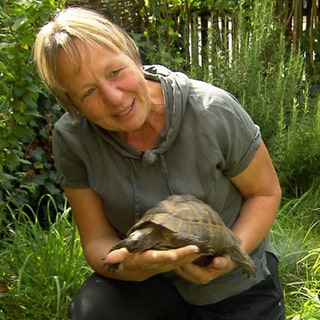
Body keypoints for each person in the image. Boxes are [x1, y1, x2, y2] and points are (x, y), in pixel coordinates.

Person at [33, 7, 285, 320]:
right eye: (88, 92)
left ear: (133, 56)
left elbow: (265, 193)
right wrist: (128, 265)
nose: (114, 97)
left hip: (235, 281)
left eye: (115, 72)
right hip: (150, 282)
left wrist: (234, 254)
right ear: (74, 106)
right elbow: (97, 240)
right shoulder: (73, 139)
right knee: (94, 311)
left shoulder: (213, 111)